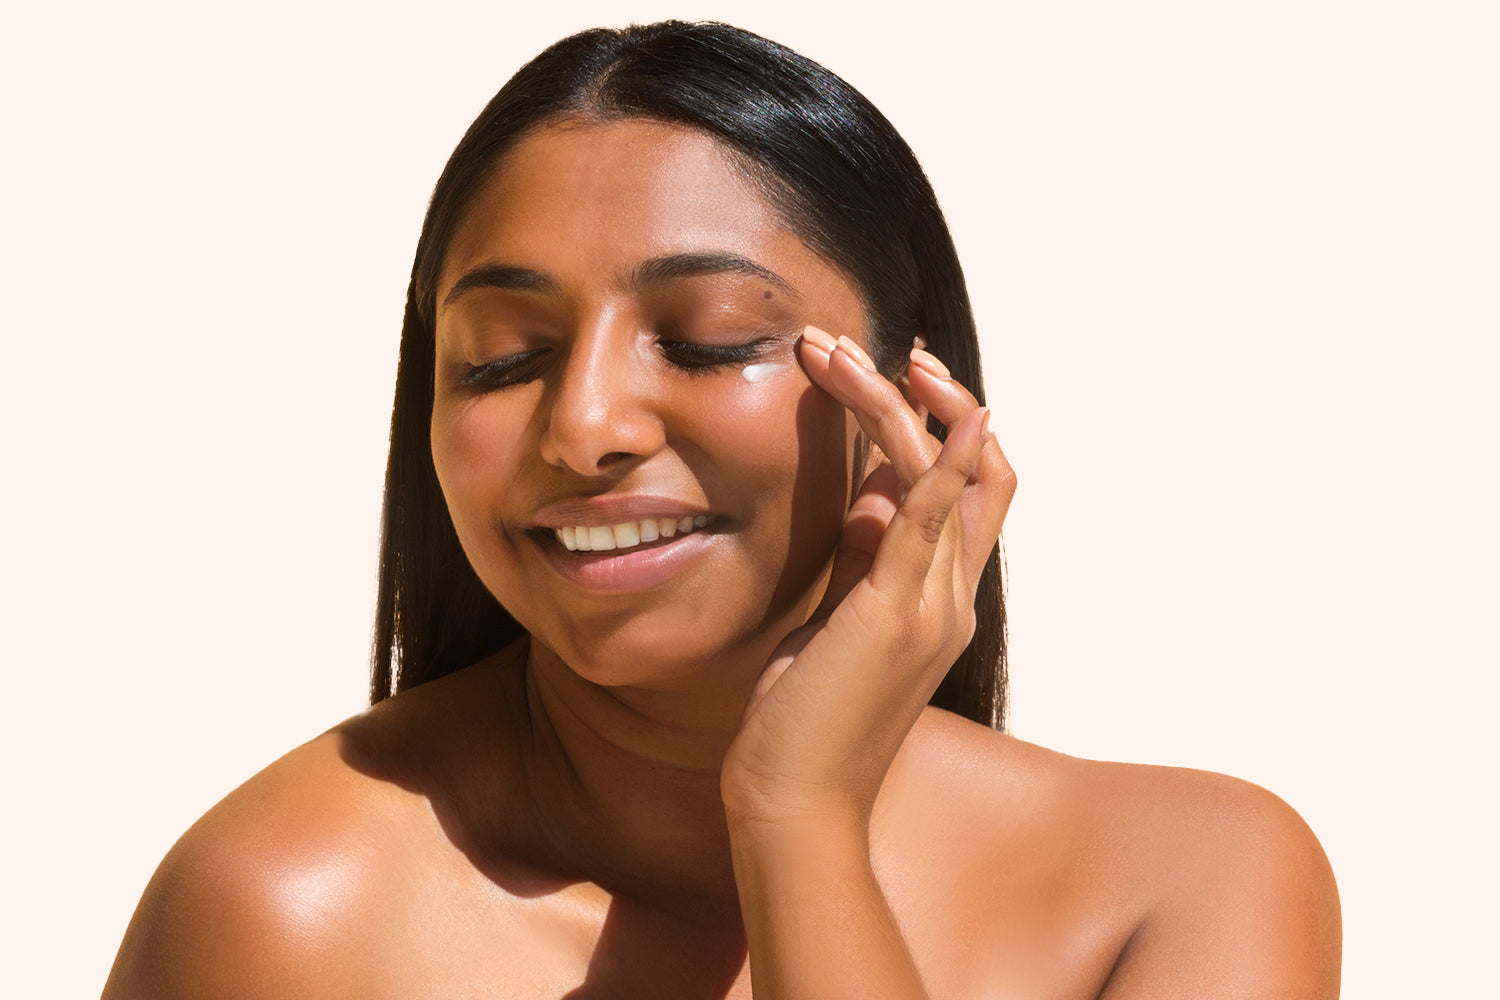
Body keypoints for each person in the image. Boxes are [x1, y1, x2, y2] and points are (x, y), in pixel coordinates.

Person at [103, 21, 1340, 999]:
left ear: (911, 401)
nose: (584, 424)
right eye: (500, 356)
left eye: (708, 341)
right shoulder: (288, 909)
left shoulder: (1191, 882)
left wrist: (797, 821)